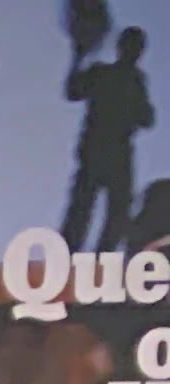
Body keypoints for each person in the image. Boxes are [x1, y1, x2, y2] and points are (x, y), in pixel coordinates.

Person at [69, 25, 155, 251]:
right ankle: (70, 254)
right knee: (84, 206)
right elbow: (73, 91)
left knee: (115, 209)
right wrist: (77, 58)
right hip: (99, 147)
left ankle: (102, 257)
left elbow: (147, 118)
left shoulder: (135, 80)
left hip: (117, 149)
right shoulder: (103, 73)